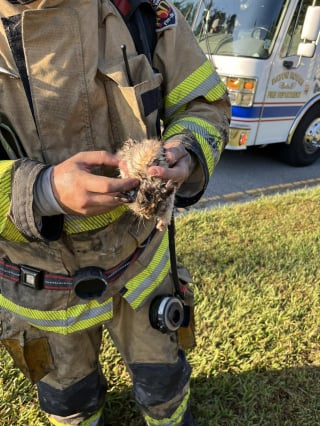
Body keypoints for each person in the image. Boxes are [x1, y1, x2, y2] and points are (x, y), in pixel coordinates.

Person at [0, 0, 230, 424]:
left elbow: (203, 107)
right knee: (67, 399)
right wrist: (41, 191)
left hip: (141, 262)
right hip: (38, 281)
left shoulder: (139, 11)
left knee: (163, 381)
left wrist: (187, 151)